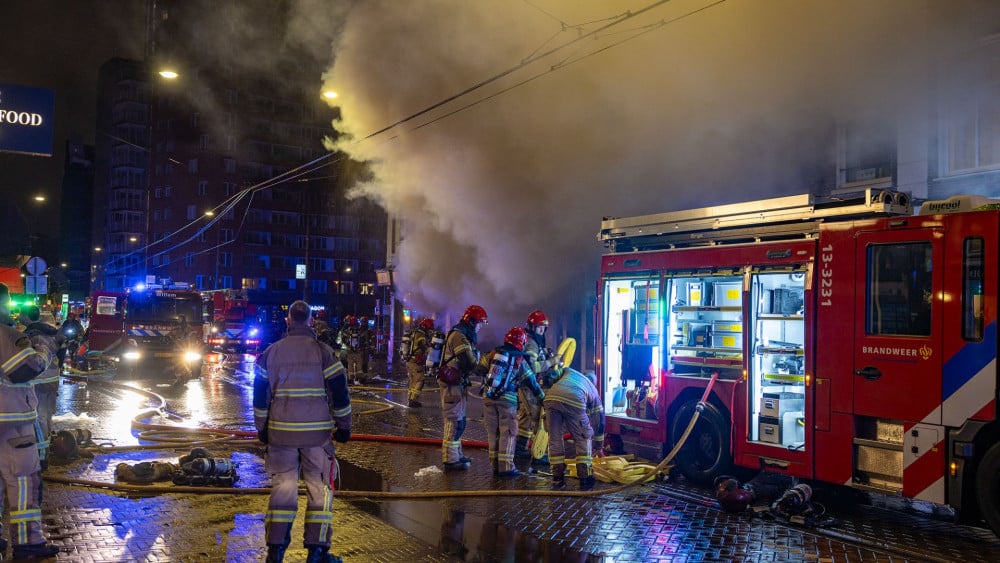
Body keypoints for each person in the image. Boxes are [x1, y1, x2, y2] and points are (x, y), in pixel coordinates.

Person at [253, 301, 351, 563]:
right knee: (319, 491)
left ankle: (275, 551)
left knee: (283, 491)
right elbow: (340, 393)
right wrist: (344, 427)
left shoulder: (271, 353)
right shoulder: (324, 352)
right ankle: (317, 553)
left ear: (288, 320)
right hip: (316, 437)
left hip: (281, 436)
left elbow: (260, 398)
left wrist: (262, 428)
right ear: (309, 320)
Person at [0, 289, 60, 559]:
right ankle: (28, 544)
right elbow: (27, 368)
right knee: (24, 484)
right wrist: (44, 346)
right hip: (11, 427)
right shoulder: (5, 335)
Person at [480, 327, 544, 477]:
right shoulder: (519, 359)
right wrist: (542, 397)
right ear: (521, 342)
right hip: (507, 401)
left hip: (488, 398)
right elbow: (531, 381)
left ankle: (495, 466)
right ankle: (506, 468)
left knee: (493, 433)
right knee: (508, 433)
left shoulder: (493, 353)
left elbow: (479, 368)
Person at [439, 304, 488, 471]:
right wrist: (488, 366)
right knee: (454, 421)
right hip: (452, 384)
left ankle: (456, 455)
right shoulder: (459, 337)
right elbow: (470, 362)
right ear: (472, 322)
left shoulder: (463, 334)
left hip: (457, 383)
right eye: (480, 323)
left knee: (459, 420)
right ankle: (450, 460)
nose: (481, 327)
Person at [543, 366, 606, 491]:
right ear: (594, 382)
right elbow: (600, 420)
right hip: (574, 399)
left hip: (550, 398)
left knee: (554, 438)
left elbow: (550, 377)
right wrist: (598, 445)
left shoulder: (569, 371)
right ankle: (585, 476)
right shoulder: (592, 388)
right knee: (583, 436)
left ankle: (557, 475)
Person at [21, 305, 64, 471]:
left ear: (28, 317)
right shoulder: (54, 332)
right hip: (53, 380)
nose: (19, 318)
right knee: (47, 416)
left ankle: (41, 458)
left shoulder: (31, 334)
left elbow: (28, 360)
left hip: (38, 381)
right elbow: (62, 353)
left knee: (38, 419)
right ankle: (44, 452)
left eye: (22, 316)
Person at [516, 309, 553, 464]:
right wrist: (552, 362)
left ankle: (520, 448)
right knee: (538, 416)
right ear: (532, 327)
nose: (541, 331)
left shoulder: (532, 341)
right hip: (528, 386)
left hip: (526, 385)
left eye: (543, 329)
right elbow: (532, 366)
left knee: (524, 418)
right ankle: (538, 454)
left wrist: (546, 354)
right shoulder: (531, 342)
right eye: (539, 328)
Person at [405, 318, 435, 408]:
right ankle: (413, 400)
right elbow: (423, 346)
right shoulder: (421, 335)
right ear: (424, 326)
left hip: (409, 361)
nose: (429, 331)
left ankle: (411, 399)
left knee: (413, 381)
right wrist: (431, 350)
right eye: (428, 329)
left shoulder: (414, 333)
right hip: (415, 362)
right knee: (420, 381)